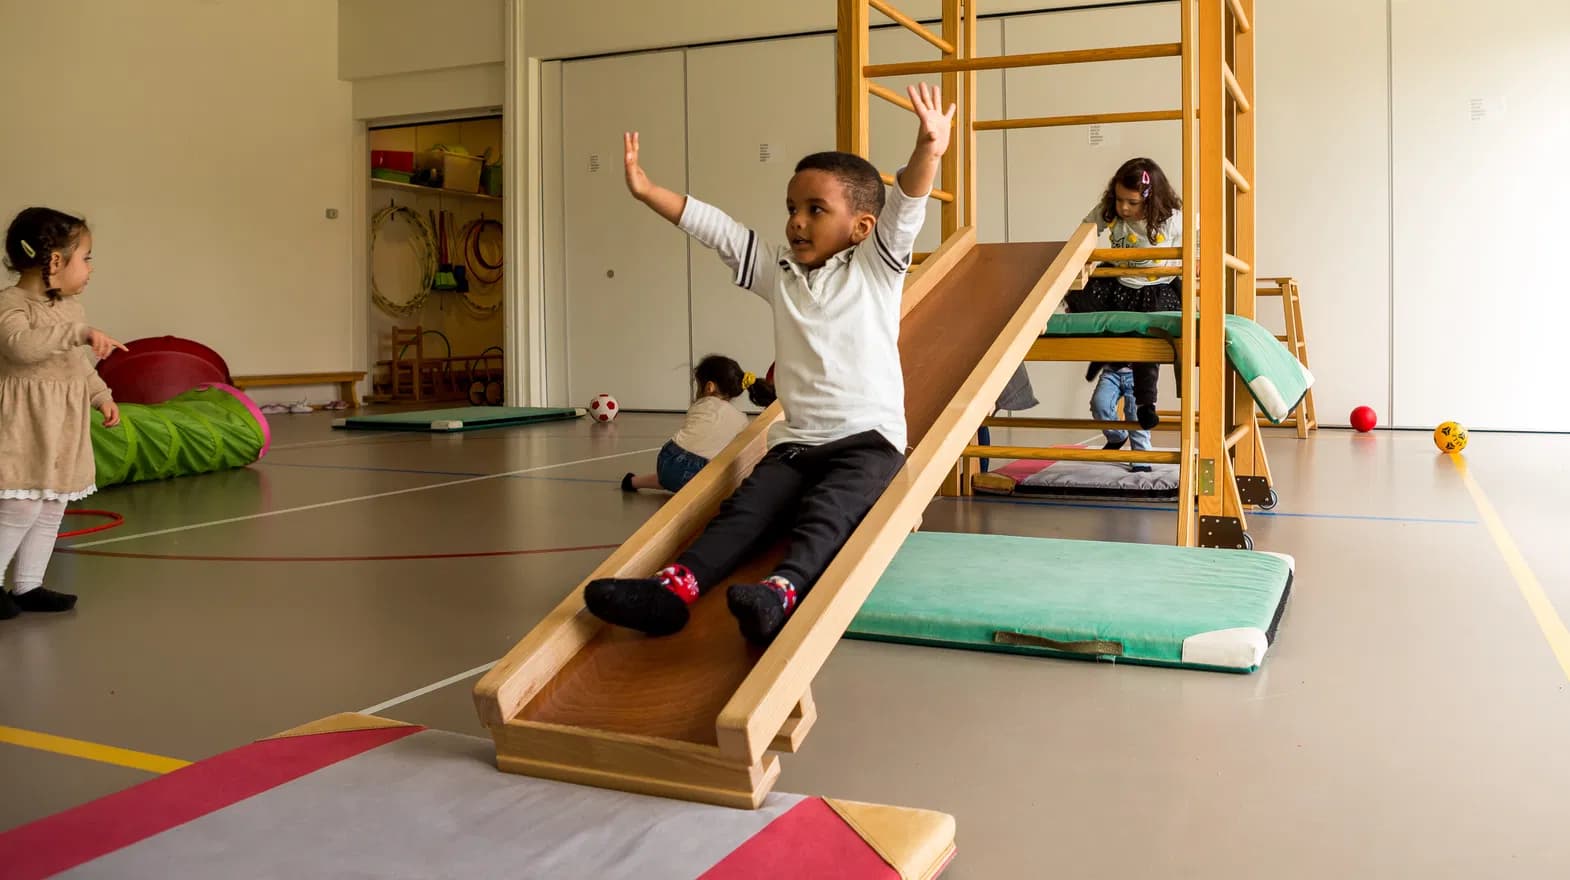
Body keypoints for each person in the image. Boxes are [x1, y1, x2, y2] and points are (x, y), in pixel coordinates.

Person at [584, 83, 954, 646]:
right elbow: (719, 230)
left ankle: (782, 591)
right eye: (791, 209)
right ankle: (673, 591)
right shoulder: (778, 272)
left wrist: (929, 146)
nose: (796, 222)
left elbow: (906, 205)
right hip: (796, 442)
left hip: (868, 442)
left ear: (859, 227)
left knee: (829, 514)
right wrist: (647, 191)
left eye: (815, 210)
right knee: (745, 510)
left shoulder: (876, 267)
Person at [0, 207, 126, 619]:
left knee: (52, 503)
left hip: (63, 425)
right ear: (55, 260)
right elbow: (21, 347)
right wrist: (79, 333)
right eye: (86, 257)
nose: (90, 268)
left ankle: (28, 585)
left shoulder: (72, 310)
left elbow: (76, 364)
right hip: (23, 425)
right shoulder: (11, 305)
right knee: (20, 505)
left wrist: (101, 395)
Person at [1065, 157, 1184, 430]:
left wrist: (1197, 259)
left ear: (1151, 201)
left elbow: (1198, 234)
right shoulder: (1112, 211)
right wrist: (1078, 253)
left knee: (1146, 339)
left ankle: (1146, 403)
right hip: (1118, 283)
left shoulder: (1171, 219)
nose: (1124, 208)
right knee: (1078, 296)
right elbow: (1085, 230)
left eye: (1132, 203)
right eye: (1119, 200)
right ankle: (1110, 357)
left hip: (1155, 289)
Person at [621, 354, 776, 493]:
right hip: (697, 475)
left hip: (667, 460)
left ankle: (633, 482)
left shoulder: (700, 405)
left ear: (709, 387)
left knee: (674, 473)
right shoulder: (741, 419)